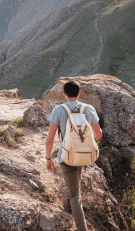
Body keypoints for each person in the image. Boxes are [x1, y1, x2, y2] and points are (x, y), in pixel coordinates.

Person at [45, 81, 102, 231]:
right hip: (84, 156)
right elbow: (99, 135)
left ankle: (81, 228)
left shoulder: (58, 110)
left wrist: (48, 158)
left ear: (64, 93)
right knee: (75, 190)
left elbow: (50, 139)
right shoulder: (88, 109)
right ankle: (70, 210)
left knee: (74, 196)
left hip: (66, 157)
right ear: (79, 93)